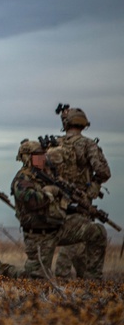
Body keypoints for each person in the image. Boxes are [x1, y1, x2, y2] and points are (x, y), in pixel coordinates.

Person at [0, 140, 106, 279]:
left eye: (43, 155)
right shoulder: (22, 179)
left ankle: (93, 280)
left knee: (97, 232)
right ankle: (0, 269)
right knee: (36, 279)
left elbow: (60, 205)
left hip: (58, 228)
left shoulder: (48, 176)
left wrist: (79, 208)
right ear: (27, 158)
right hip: (38, 235)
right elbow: (32, 200)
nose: (42, 159)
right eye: (37, 155)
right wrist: (50, 192)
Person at [51, 107, 111, 278]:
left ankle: (82, 275)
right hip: (80, 199)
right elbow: (103, 171)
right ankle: (65, 277)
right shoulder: (88, 144)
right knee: (78, 237)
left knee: (74, 237)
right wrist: (93, 187)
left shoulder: (56, 143)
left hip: (57, 199)